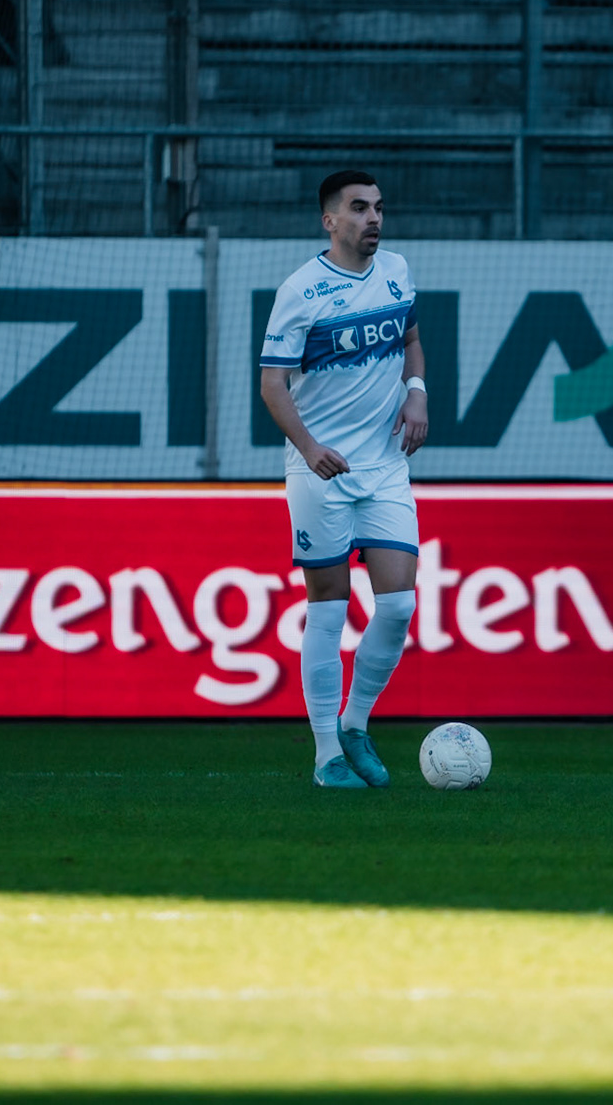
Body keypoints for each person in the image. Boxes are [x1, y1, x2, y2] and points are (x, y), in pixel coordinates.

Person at [259, 170, 429, 788]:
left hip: (385, 465)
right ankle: (327, 753)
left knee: (399, 604)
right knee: (328, 607)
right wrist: (308, 447)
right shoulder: (300, 291)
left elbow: (410, 338)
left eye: (379, 207)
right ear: (329, 221)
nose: (374, 218)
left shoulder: (397, 271)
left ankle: (356, 722)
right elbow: (272, 383)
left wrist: (416, 392)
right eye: (359, 208)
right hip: (319, 471)